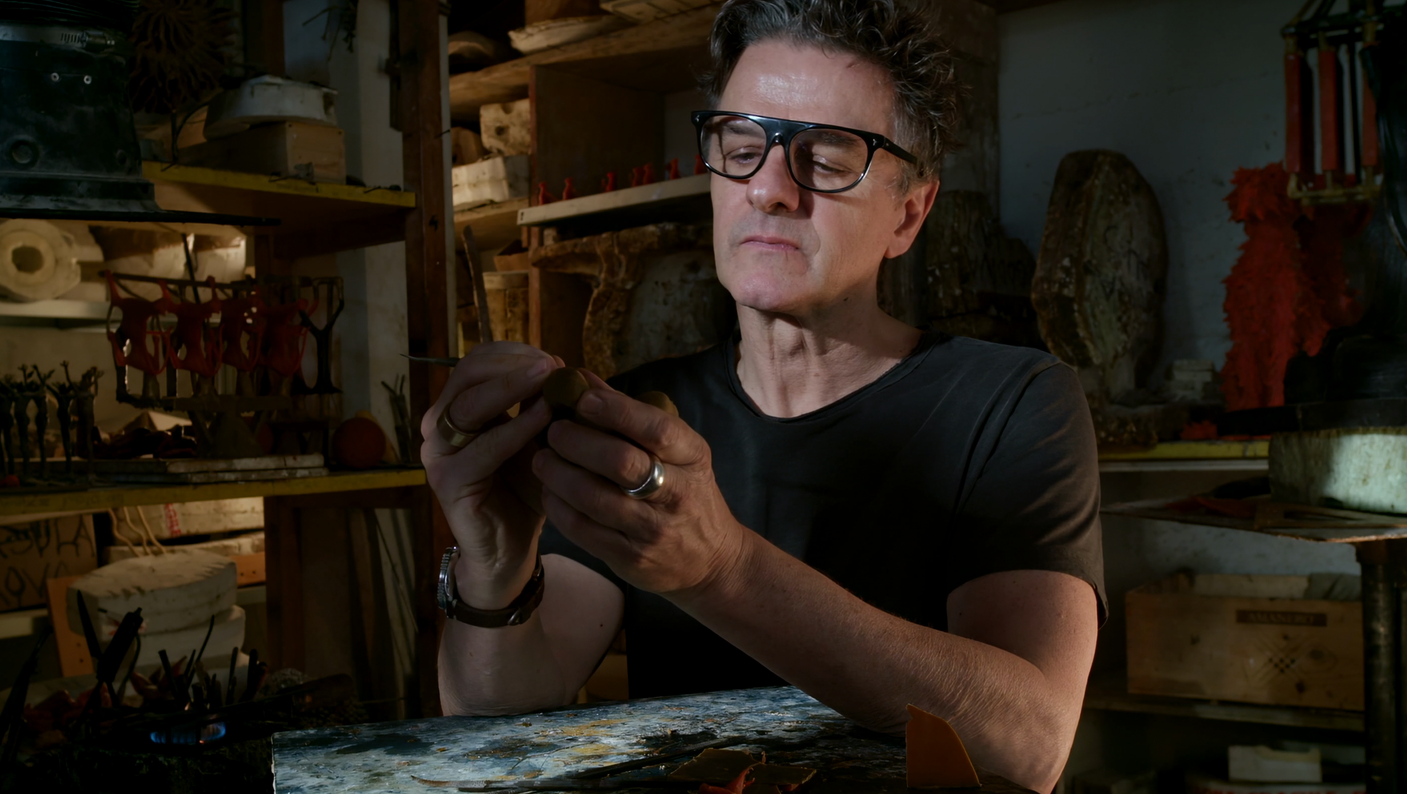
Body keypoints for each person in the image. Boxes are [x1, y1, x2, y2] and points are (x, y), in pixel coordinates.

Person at [420, 1, 1102, 790]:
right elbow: (498, 731)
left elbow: (1033, 744)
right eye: (742, 147)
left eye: (828, 157)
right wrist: (494, 565)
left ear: (909, 214)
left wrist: (722, 568)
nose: (769, 189)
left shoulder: (1016, 403)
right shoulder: (642, 413)